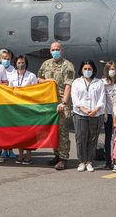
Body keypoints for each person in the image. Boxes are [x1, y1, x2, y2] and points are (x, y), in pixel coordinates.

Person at [37, 41, 75, 170]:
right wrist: (46, 80)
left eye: (57, 49)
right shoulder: (46, 64)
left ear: (62, 50)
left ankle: (63, 158)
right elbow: (39, 79)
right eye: (53, 49)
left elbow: (68, 86)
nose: (55, 51)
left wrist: (63, 102)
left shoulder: (67, 65)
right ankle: (56, 155)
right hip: (50, 103)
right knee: (53, 130)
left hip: (61, 103)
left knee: (63, 131)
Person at [71, 60, 106, 172]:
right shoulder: (76, 82)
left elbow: (102, 98)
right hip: (80, 114)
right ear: (81, 70)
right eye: (85, 69)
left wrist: (95, 110)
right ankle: (82, 161)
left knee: (93, 138)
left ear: (93, 70)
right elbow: (75, 98)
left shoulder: (98, 82)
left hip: (95, 114)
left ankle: (89, 161)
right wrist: (84, 109)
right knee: (81, 138)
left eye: (89, 69)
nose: (87, 71)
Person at [8, 55, 38, 164]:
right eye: (19, 62)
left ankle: (28, 156)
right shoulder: (11, 76)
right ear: (15, 64)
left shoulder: (31, 76)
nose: (21, 64)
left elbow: (35, 91)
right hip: (16, 108)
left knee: (29, 133)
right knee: (19, 132)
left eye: (23, 62)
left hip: (28, 107)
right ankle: (20, 156)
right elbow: (9, 90)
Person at [101, 61, 116, 169]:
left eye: (114, 69)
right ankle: (107, 161)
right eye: (110, 69)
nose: (112, 71)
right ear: (106, 70)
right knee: (107, 138)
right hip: (108, 114)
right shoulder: (102, 83)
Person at [0, 50, 17, 158]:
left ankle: (11, 149)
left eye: (8, 59)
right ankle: (3, 149)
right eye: (4, 58)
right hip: (0, 101)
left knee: (11, 128)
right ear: (0, 59)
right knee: (2, 127)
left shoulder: (13, 70)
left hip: (10, 101)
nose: (6, 60)